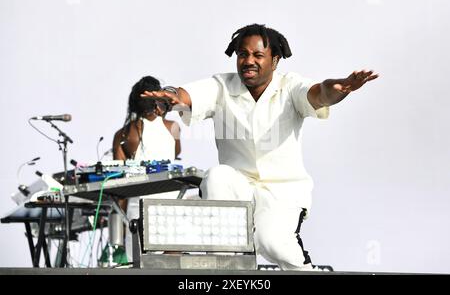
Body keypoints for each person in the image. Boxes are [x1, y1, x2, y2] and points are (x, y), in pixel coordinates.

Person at [141, 24, 379, 270]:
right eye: (243, 54)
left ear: (275, 61)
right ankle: (232, 268)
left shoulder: (290, 86)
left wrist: (340, 88)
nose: (248, 61)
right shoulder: (222, 86)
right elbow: (186, 94)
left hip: (282, 191)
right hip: (239, 187)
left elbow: (319, 93)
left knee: (271, 242)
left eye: (257, 55)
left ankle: (305, 269)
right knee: (217, 176)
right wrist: (169, 95)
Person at [112, 75, 181, 261]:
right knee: (171, 266)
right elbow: (176, 154)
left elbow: (119, 186)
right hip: (172, 210)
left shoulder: (124, 134)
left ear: (134, 103)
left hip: (139, 210)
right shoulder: (173, 128)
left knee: (139, 266)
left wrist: (121, 223)